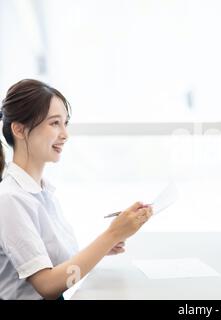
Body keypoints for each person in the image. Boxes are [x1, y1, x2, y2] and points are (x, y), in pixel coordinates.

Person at [0, 79, 152, 300]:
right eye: (54, 123)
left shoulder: (42, 193)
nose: (65, 134)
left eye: (65, 123)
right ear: (19, 129)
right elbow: (48, 286)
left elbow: (60, 266)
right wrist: (112, 234)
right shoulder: (10, 199)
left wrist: (106, 243)